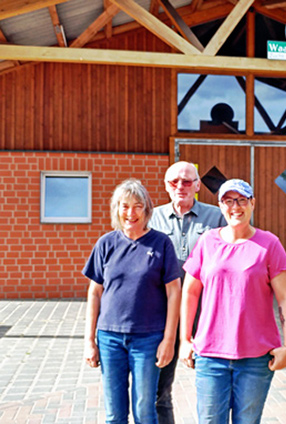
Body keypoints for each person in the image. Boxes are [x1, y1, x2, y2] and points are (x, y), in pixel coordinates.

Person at [179, 178, 286, 424]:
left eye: (242, 200)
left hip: (255, 358)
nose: (236, 206)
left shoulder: (269, 244)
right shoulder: (207, 241)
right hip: (210, 355)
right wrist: (184, 340)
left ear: (252, 203)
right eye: (228, 201)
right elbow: (190, 292)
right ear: (221, 206)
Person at [83, 178, 182, 424]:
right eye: (124, 206)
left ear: (147, 209)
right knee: (114, 414)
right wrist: (89, 341)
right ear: (116, 209)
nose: (131, 213)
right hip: (110, 339)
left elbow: (174, 292)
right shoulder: (106, 243)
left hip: (148, 339)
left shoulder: (161, 243)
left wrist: (169, 340)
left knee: (145, 411)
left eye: (137, 206)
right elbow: (94, 293)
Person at [149, 161, 226, 424]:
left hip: (207, 316)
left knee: (214, 390)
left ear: (196, 186)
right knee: (158, 390)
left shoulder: (216, 217)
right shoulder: (151, 218)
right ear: (166, 186)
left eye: (187, 181)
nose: (180, 186)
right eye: (174, 181)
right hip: (161, 316)